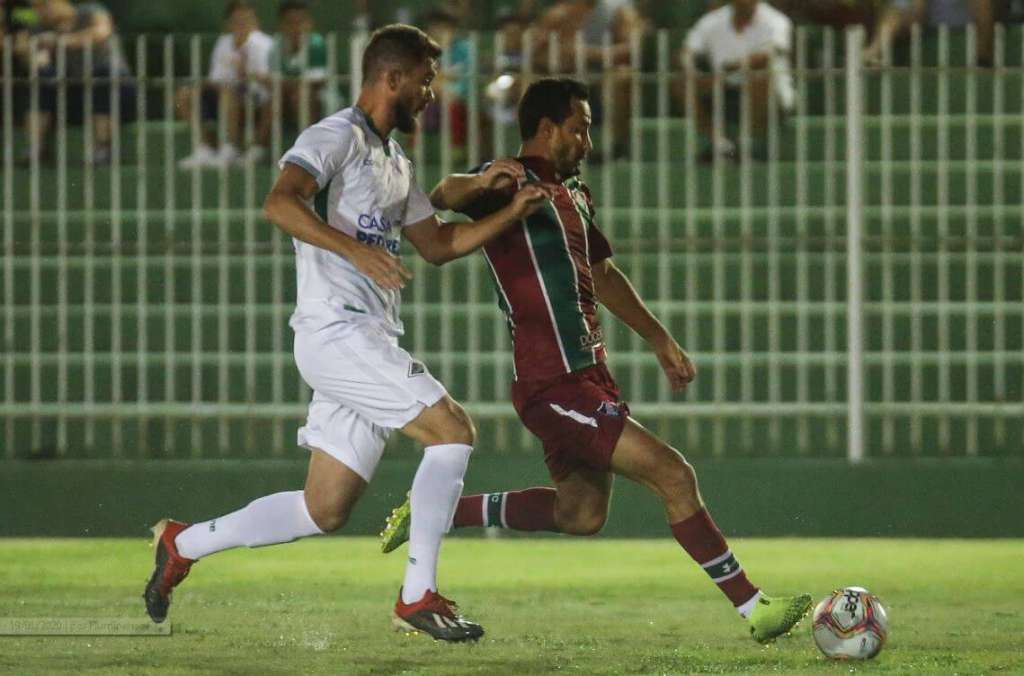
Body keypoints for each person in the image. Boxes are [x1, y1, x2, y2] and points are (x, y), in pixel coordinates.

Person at [143, 24, 554, 642]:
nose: (430, 95)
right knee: (452, 429)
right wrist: (354, 253)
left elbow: (438, 245)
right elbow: (280, 203)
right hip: (336, 332)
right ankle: (418, 595)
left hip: (365, 340)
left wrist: (506, 213)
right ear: (392, 78)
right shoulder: (335, 135)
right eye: (425, 81)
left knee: (324, 509)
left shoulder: (395, 160)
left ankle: (183, 543)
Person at [380, 77, 813, 644]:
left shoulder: (575, 195)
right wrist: (484, 180)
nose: (587, 139)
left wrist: (660, 339)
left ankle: (440, 509)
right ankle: (755, 608)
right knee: (674, 474)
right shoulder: (511, 178)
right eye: (579, 127)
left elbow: (602, 275)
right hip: (551, 381)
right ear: (546, 128)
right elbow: (443, 194)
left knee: (580, 515)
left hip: (590, 375)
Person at [675, 0, 796, 162]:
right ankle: (723, 146)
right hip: (724, 91)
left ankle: (747, 146)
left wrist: (730, 70)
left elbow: (767, 56)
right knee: (682, 84)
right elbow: (687, 51)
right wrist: (691, 71)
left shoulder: (776, 20)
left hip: (772, 97)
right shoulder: (712, 20)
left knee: (760, 78)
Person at [15, 0, 130, 166]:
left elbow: (102, 31)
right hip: (75, 93)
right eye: (36, 8)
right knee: (42, 78)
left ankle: (103, 149)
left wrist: (61, 41)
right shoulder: (41, 28)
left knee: (102, 76)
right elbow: (27, 52)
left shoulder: (89, 10)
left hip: (116, 89)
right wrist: (34, 56)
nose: (40, 12)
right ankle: (35, 148)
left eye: (43, 5)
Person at [532, 0, 649, 160]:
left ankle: (616, 147)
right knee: (533, 81)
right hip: (567, 74)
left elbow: (632, 47)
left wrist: (589, 54)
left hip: (605, 73)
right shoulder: (558, 14)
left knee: (623, 76)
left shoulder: (618, 11)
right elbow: (538, 52)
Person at [176, 0, 273, 169]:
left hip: (258, 101)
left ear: (255, 22)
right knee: (185, 95)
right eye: (237, 20)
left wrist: (246, 72)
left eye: (246, 20)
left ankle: (230, 148)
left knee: (228, 93)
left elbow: (267, 84)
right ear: (229, 23)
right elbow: (216, 79)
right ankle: (204, 148)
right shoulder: (224, 42)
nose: (241, 24)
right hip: (226, 96)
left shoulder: (264, 44)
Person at [863, 0, 995, 67]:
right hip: (920, 16)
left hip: (958, 15)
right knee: (898, 6)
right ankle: (875, 51)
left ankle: (982, 56)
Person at [269, 0, 328, 129]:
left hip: (319, 96)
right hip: (285, 94)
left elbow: (316, 82)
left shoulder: (316, 44)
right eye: (290, 23)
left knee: (301, 95)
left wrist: (287, 84)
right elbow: (272, 78)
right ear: (281, 25)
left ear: (309, 24)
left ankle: (309, 144)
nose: (296, 27)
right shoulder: (277, 45)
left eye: (300, 22)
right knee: (273, 98)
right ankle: (260, 145)